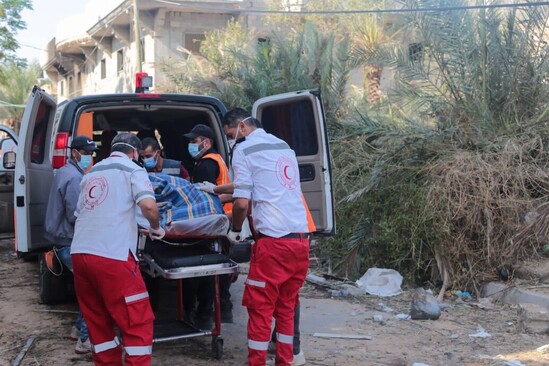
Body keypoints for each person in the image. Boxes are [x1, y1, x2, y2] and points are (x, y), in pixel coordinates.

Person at [221, 108, 310, 366]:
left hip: (273, 243)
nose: (232, 140)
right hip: (300, 241)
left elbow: (241, 204)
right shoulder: (284, 147)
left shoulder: (244, 150)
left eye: (230, 134)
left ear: (241, 126)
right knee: (285, 309)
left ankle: (257, 362)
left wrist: (236, 230)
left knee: (260, 310)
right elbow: (269, 188)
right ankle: (285, 361)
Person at [70, 133, 166, 366]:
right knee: (137, 321)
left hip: (81, 254)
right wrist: (155, 227)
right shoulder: (133, 170)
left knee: (98, 322)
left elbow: (79, 213)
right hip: (112, 256)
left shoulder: (91, 173)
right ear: (134, 152)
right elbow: (149, 206)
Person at [44, 135, 98, 354]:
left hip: (61, 240)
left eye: (91, 154)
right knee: (93, 290)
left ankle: (77, 328)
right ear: (74, 152)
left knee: (86, 287)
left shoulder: (66, 172)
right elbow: (76, 214)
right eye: (86, 154)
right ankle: (85, 339)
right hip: (69, 240)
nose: (89, 158)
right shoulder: (75, 178)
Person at [182, 124, 233, 328]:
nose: (191, 145)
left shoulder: (206, 164)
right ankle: (225, 308)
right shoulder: (218, 159)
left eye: (194, 141)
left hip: (213, 221)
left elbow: (203, 199)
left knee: (202, 269)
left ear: (207, 142)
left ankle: (202, 314)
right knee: (219, 268)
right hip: (224, 219)